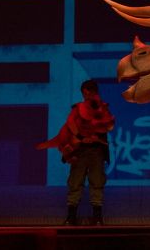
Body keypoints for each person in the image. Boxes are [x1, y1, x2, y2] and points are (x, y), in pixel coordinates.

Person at [36, 79, 115, 226]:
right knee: (75, 182)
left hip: (97, 151)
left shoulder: (102, 107)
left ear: (94, 92)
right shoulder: (78, 108)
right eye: (85, 93)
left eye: (89, 92)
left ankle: (97, 217)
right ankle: (71, 217)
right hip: (80, 151)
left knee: (97, 182)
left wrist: (98, 129)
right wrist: (80, 137)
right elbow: (70, 122)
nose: (87, 95)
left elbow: (109, 125)